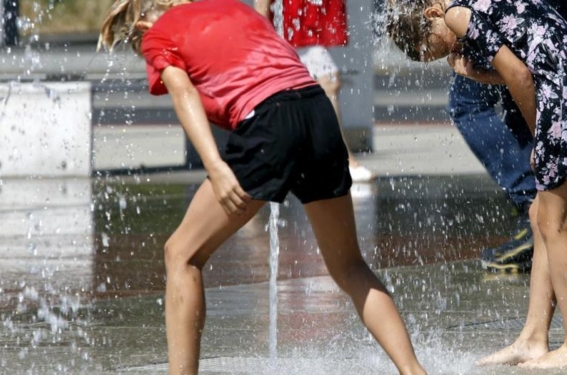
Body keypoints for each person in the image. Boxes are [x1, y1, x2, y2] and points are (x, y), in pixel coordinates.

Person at [98, 1, 427, 374]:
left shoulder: (158, 34)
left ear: (142, 23)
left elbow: (183, 93)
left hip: (270, 120)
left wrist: (216, 167)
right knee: (349, 264)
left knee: (181, 255)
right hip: (317, 110)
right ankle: (414, 371)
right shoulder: (231, 8)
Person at [386, 0, 567, 369]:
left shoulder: (455, 13)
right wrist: (481, 76)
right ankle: (533, 338)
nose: (448, 50)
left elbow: (522, 78)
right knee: (540, 214)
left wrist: (537, 134)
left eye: (437, 46)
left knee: (554, 223)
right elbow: (526, 63)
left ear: (432, 14)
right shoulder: (473, 6)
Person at [448, 0, 567, 273]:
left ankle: (531, 200)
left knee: (467, 104)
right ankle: (544, 212)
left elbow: (519, 75)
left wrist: (542, 142)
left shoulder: (457, 14)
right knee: (524, 94)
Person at [254, 0, 375, 182]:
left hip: (298, 23)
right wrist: (261, 36)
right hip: (293, 24)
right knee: (328, 81)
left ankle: (269, 160)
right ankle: (342, 161)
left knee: (300, 89)